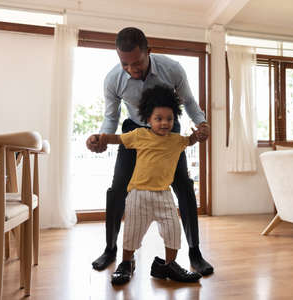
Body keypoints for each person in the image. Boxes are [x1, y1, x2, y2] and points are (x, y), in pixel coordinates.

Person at [86, 27, 213, 277]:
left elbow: (188, 101)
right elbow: (110, 117)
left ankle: (195, 252)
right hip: (135, 130)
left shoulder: (172, 68)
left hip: (168, 129)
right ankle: (111, 249)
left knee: (184, 186)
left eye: (137, 62)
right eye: (125, 63)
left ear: (149, 52)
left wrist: (202, 123)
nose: (132, 69)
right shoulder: (113, 79)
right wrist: (101, 138)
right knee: (118, 188)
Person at [90, 85, 203, 284]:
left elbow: (190, 140)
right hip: (138, 195)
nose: (164, 123)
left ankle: (168, 266)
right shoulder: (139, 135)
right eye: (158, 118)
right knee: (132, 233)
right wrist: (99, 138)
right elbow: (118, 138)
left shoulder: (176, 140)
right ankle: (126, 263)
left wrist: (199, 133)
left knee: (173, 231)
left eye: (169, 119)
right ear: (148, 119)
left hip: (164, 195)